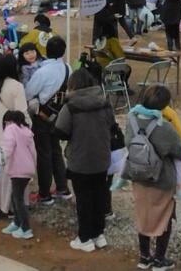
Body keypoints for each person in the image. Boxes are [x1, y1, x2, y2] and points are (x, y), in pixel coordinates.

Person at [124, 84, 181, 271]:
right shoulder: (164, 127)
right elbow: (179, 151)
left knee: (142, 215)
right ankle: (159, 259)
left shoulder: (131, 120)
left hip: (138, 175)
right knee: (164, 216)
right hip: (161, 178)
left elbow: (128, 143)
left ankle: (144, 257)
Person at [54, 69, 115, 253]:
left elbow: (61, 132)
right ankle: (99, 234)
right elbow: (111, 125)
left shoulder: (70, 106)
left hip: (80, 159)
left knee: (83, 200)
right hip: (101, 158)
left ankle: (85, 237)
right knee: (99, 196)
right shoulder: (104, 103)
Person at [24, 36, 72, 206]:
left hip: (43, 115)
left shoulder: (42, 72)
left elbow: (29, 93)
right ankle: (62, 187)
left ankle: (45, 193)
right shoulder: (67, 68)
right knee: (56, 150)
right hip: (59, 115)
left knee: (44, 154)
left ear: (45, 51)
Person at [0, 55, 28, 218]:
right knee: (13, 172)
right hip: (15, 135)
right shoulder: (17, 86)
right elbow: (22, 112)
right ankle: (10, 207)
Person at [0, 110, 37, 240]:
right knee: (16, 196)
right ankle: (17, 222)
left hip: (17, 169)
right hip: (27, 169)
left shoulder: (11, 129)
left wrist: (1, 159)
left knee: (17, 199)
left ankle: (26, 228)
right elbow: (33, 153)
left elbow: (7, 148)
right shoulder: (27, 131)